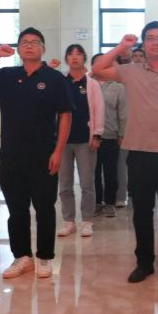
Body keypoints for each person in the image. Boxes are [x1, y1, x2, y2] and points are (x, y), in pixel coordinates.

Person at [92, 22, 158, 283]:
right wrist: (122, 46)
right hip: (139, 152)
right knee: (141, 211)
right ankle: (144, 262)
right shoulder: (130, 71)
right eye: (149, 38)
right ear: (144, 44)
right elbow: (97, 69)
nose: (155, 42)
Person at [0, 27, 73, 279]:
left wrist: (58, 151)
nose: (29, 45)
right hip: (11, 155)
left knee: (44, 208)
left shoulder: (55, 78)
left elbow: (65, 115)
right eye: (24, 42)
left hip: (44, 154)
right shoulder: (7, 75)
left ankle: (45, 257)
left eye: (35, 42)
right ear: (18, 48)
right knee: (16, 209)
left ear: (43, 49)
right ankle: (22, 257)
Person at [57, 44, 105, 237]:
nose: (74, 57)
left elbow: (99, 109)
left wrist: (97, 134)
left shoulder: (91, 83)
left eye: (78, 54)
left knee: (87, 183)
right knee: (64, 183)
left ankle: (87, 221)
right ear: (66, 59)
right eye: (70, 54)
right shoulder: (60, 81)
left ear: (84, 57)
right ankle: (69, 221)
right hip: (63, 141)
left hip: (86, 140)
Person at [91, 53, 128, 217]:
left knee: (110, 172)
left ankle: (110, 202)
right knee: (93, 172)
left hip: (110, 135)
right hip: (91, 137)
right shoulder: (88, 83)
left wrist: (122, 134)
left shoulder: (118, 87)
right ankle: (97, 202)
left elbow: (123, 113)